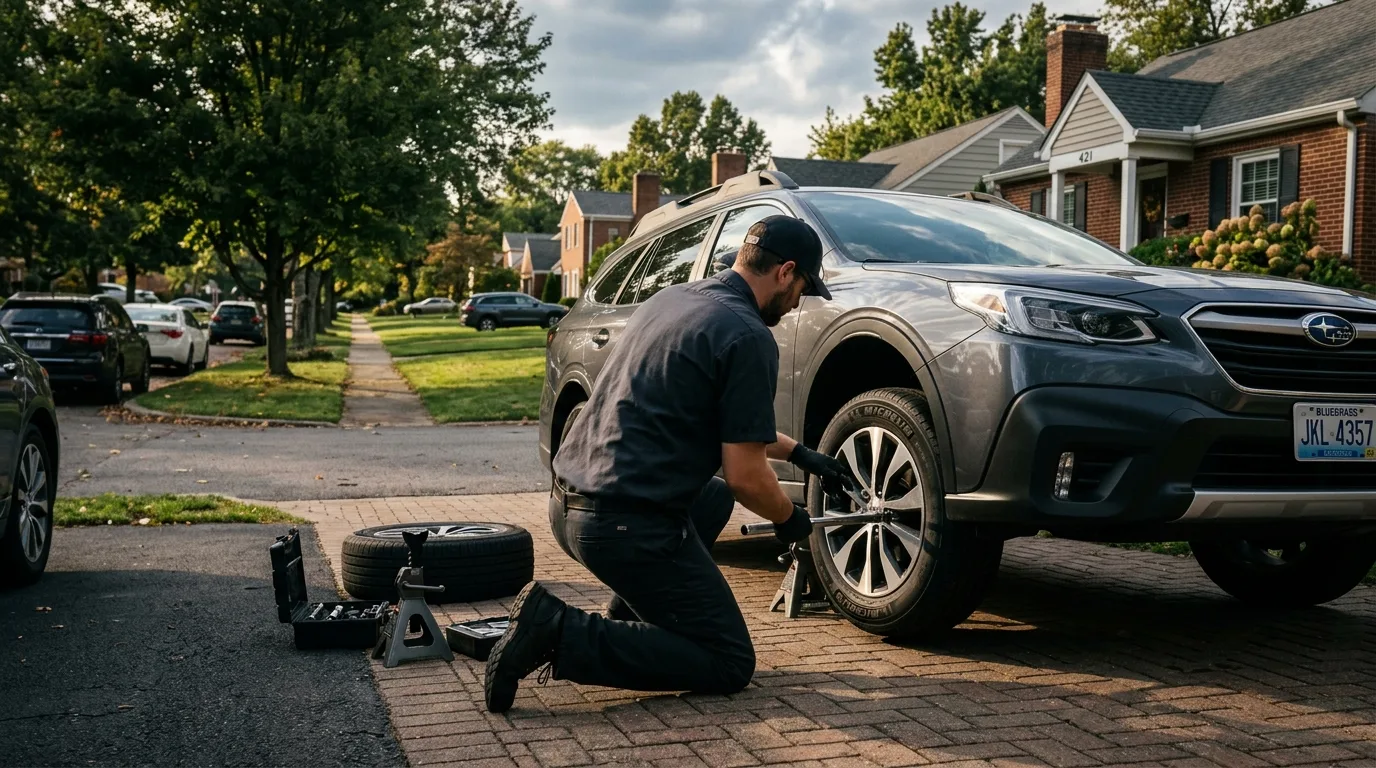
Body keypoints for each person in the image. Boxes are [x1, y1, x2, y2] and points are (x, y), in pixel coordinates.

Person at [483, 214, 855, 713]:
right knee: (728, 660)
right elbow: (746, 477)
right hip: (620, 527)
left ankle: (632, 618)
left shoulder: (675, 300)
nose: (796, 304)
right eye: (803, 288)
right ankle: (557, 631)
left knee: (711, 499)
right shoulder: (748, 336)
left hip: (569, 506)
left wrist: (799, 454)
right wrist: (790, 520)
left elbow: (723, 426)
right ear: (786, 271)